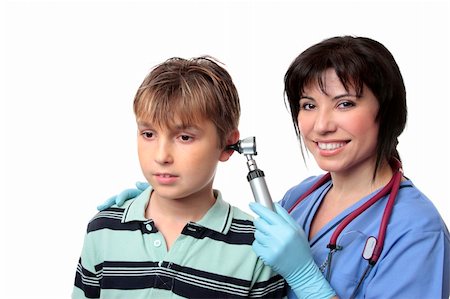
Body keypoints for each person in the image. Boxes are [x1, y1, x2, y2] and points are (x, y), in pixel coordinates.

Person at [98, 37, 450, 299]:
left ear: (386, 111)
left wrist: (307, 280)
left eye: (344, 104)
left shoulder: (416, 231)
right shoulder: (301, 198)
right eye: (309, 105)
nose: (321, 125)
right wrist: (163, 204)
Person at [72, 56, 287, 298]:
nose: (161, 156)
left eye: (184, 137)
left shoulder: (257, 248)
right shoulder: (103, 231)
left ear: (228, 144)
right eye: (148, 134)